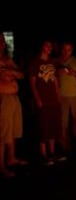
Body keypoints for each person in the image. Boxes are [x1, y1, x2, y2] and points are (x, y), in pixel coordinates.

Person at [29, 39, 64, 165]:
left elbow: (55, 81)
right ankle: (43, 155)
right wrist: (37, 99)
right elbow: (32, 84)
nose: (49, 48)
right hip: (43, 100)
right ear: (42, 47)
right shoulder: (35, 63)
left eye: (50, 46)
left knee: (53, 127)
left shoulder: (51, 63)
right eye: (47, 45)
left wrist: (58, 95)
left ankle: (52, 153)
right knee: (43, 127)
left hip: (53, 100)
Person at [0, 32, 27, 177]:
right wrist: (11, 73)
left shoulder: (6, 59)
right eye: (0, 41)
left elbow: (21, 74)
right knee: (3, 132)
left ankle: (11, 159)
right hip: (2, 98)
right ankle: (1, 165)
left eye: (3, 41)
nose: (2, 44)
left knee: (12, 130)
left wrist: (9, 71)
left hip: (13, 98)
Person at [56, 41, 76, 156]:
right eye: (64, 49)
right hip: (62, 96)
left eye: (68, 50)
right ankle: (65, 146)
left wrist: (74, 73)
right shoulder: (56, 62)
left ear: (72, 50)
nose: (66, 52)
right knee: (63, 122)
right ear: (61, 49)